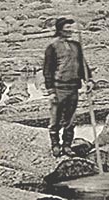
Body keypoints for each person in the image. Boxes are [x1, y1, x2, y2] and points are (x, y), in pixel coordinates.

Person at [43, 17, 94, 157]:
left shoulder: (76, 45)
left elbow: (83, 65)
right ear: (60, 30)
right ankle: (55, 145)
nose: (70, 31)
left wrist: (89, 80)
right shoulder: (52, 47)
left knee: (70, 119)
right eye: (67, 29)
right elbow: (47, 70)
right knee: (55, 119)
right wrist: (51, 91)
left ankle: (67, 146)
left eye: (70, 28)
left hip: (73, 88)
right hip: (59, 88)